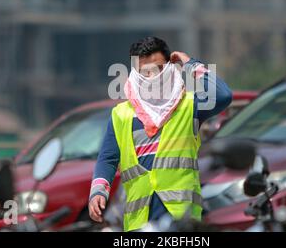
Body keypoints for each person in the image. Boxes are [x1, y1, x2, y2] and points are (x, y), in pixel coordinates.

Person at [88, 36, 232, 231]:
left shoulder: (190, 106)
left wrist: (190, 64)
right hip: (138, 223)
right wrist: (98, 191)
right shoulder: (121, 115)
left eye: (157, 70)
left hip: (184, 222)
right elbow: (107, 158)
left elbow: (222, 95)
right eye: (144, 72)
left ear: (170, 68)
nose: (151, 77)